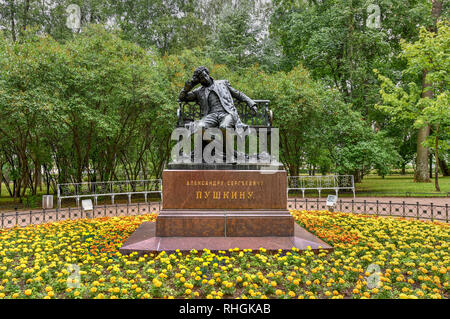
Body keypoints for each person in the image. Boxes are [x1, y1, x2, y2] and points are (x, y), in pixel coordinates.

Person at [178, 66, 257, 130]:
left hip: (227, 114)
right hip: (211, 116)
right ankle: (216, 146)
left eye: (205, 75)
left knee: (224, 127)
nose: (205, 78)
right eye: (202, 78)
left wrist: (251, 103)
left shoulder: (223, 83)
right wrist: (187, 88)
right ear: (199, 81)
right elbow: (182, 98)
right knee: (199, 127)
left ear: (208, 74)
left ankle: (226, 149)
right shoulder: (198, 91)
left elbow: (238, 94)